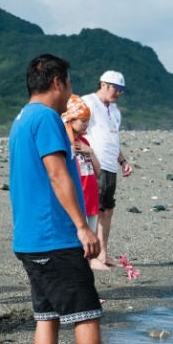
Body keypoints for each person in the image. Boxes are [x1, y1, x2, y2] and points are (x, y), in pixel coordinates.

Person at [9, 54, 144, 344]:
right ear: (57, 84)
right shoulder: (48, 119)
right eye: (68, 83)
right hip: (54, 236)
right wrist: (83, 226)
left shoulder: (21, 119)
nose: (71, 90)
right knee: (86, 311)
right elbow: (57, 174)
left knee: (47, 315)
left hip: (29, 238)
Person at [82, 71, 132, 270]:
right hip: (94, 164)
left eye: (121, 90)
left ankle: (103, 253)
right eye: (115, 88)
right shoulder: (89, 102)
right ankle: (90, 257)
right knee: (94, 210)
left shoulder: (115, 111)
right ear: (103, 84)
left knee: (107, 210)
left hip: (111, 165)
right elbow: (73, 124)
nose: (118, 92)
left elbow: (113, 139)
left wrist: (123, 161)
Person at [62, 94, 101, 238]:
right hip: (77, 199)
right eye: (83, 120)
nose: (87, 124)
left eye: (88, 121)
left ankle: (92, 261)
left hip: (91, 197)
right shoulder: (64, 143)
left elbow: (97, 171)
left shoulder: (84, 142)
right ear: (70, 120)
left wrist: (89, 151)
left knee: (92, 237)